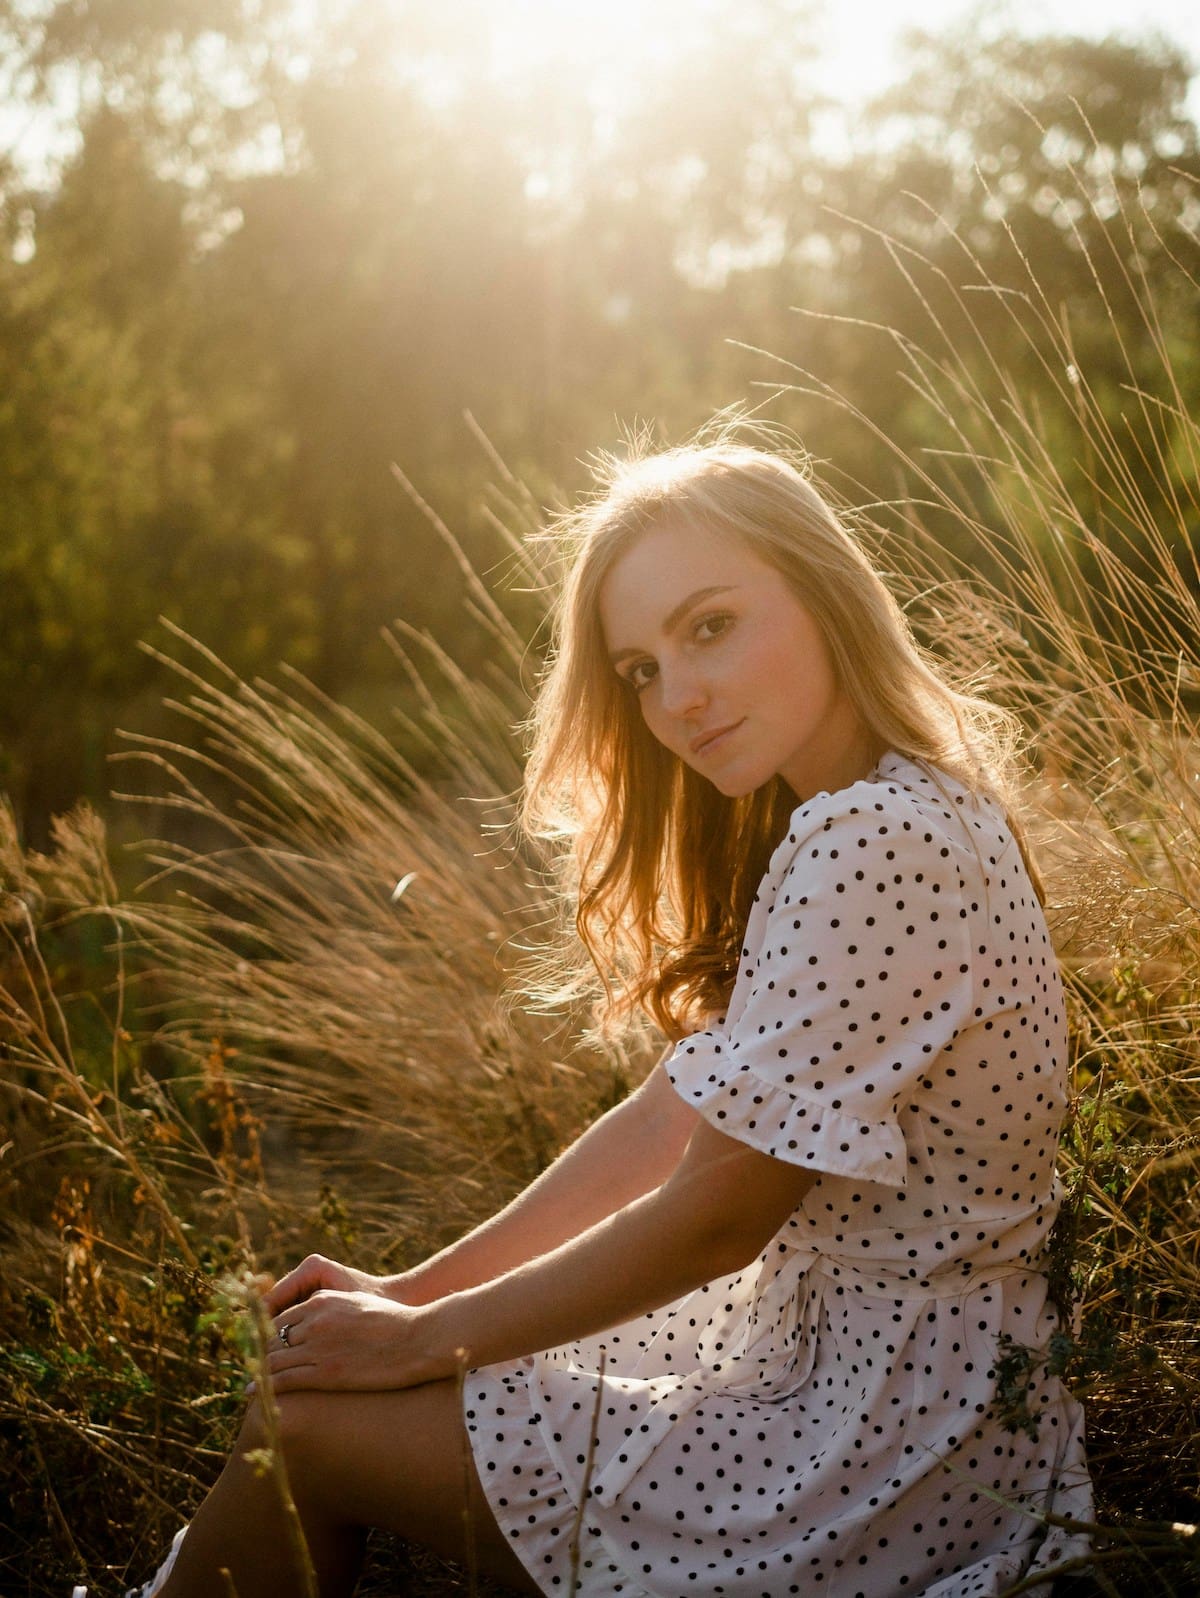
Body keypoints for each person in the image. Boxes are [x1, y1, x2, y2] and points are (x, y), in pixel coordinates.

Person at [141, 433, 1092, 1597]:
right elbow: (670, 1117)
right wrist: (409, 1295)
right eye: (640, 668)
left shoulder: (873, 839)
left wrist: (416, 1338)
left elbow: (711, 1219)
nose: (677, 697)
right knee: (319, 1381)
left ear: (825, 589)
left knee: (303, 1424)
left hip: (882, 1438)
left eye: (710, 626)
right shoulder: (877, 806)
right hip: (872, 1369)